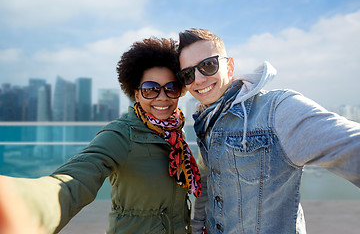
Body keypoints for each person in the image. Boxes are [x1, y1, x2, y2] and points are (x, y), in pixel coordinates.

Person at [0, 37, 201, 234]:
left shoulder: (175, 133)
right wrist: (20, 205)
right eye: (150, 89)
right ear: (136, 93)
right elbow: (76, 178)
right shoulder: (121, 134)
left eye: (171, 88)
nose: (162, 97)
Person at [176, 28, 360, 234]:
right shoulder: (206, 121)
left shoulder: (276, 110)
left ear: (229, 66)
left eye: (208, 65)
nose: (198, 79)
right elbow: (208, 184)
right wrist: (197, 225)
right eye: (188, 74)